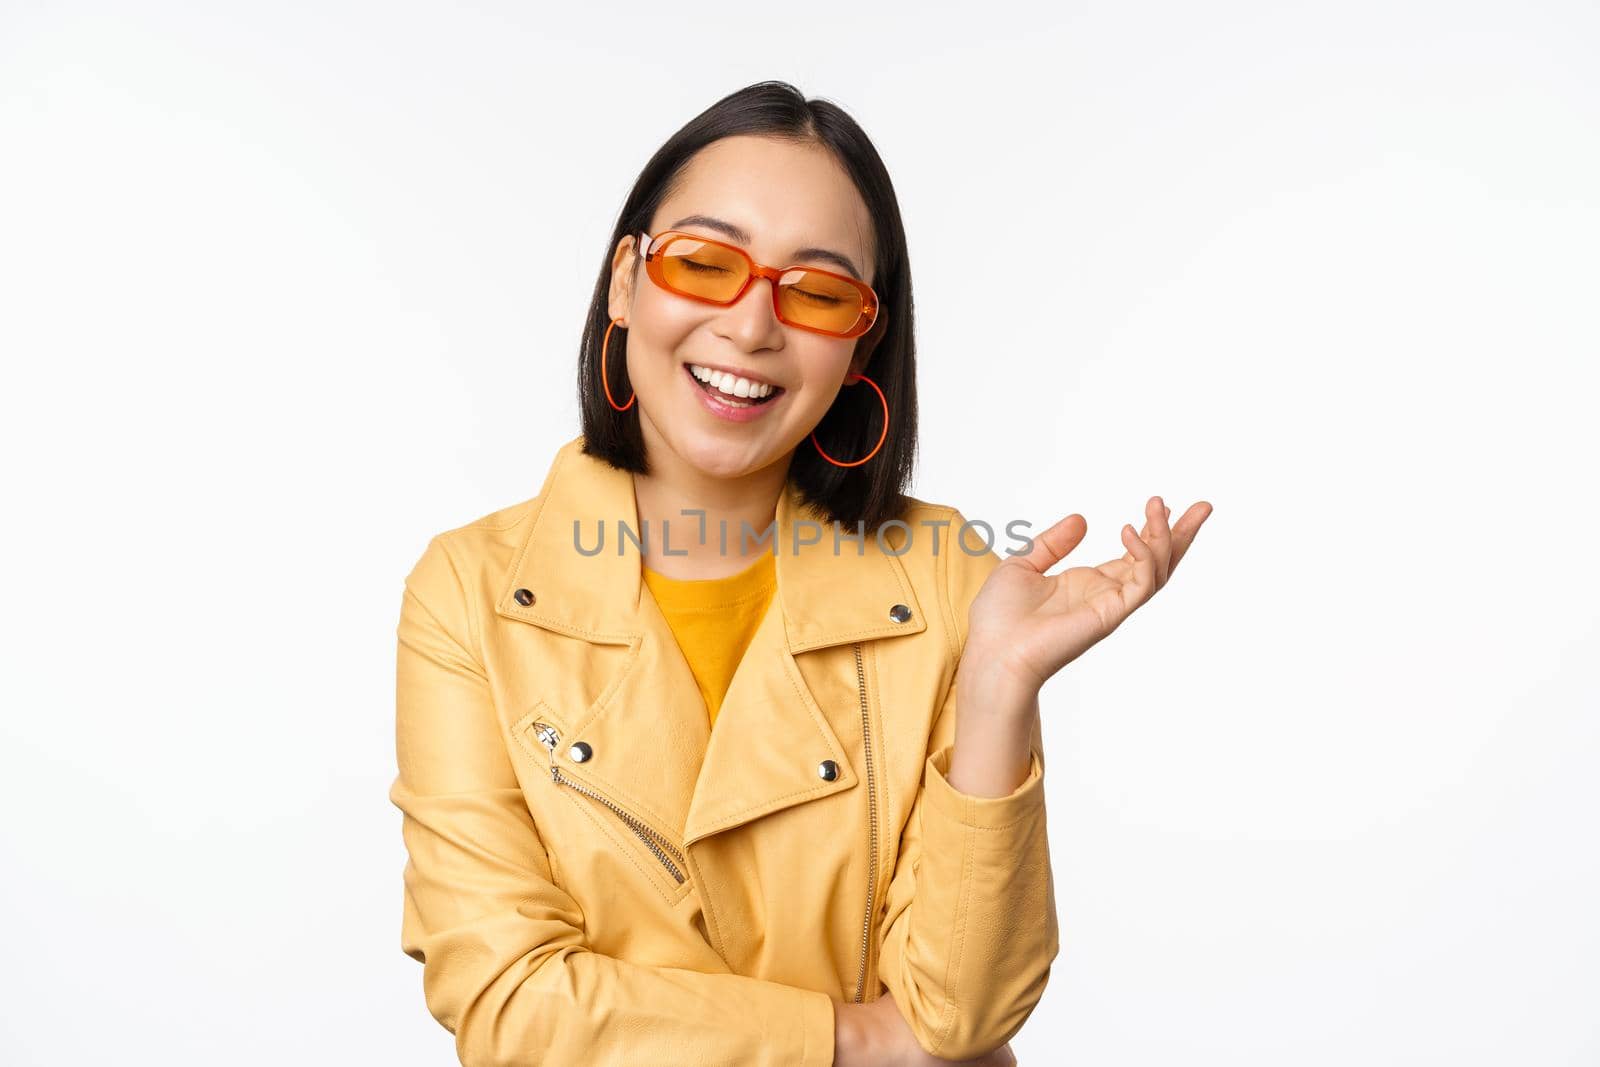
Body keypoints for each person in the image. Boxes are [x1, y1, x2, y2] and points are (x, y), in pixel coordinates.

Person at [389, 80, 1212, 1067]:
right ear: (624, 282)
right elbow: (509, 1002)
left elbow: (963, 1013)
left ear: (861, 335)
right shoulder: (470, 593)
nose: (750, 327)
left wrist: (998, 684)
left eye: (817, 291)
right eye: (703, 263)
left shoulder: (952, 580)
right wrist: (850, 1035)